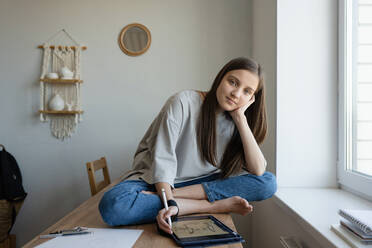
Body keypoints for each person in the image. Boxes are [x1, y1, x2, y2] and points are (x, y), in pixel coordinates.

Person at [99, 57, 277, 234]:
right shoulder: (183, 102)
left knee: (268, 183)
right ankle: (211, 206)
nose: (236, 94)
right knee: (113, 205)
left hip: (199, 185)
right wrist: (171, 203)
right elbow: (163, 159)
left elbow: (258, 170)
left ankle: (181, 202)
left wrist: (240, 118)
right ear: (220, 78)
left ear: (252, 98)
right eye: (233, 82)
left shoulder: (238, 121)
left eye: (247, 91)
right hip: (155, 180)